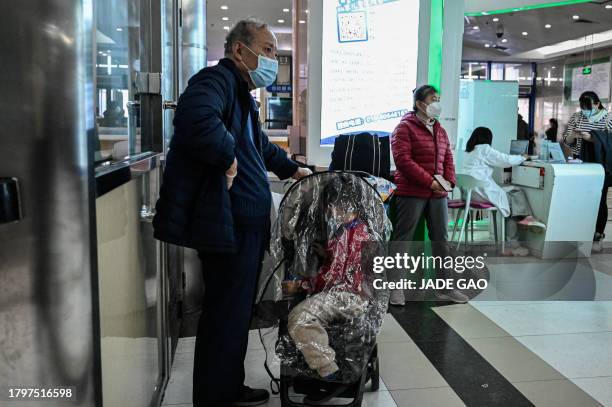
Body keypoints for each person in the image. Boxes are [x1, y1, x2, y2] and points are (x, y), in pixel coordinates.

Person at [153, 19, 311, 406]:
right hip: (231, 224)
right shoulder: (215, 81)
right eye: (268, 50)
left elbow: (260, 146)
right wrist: (227, 160)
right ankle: (215, 394)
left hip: (245, 222)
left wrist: (295, 170)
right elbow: (194, 119)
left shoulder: (241, 95)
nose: (273, 59)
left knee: (236, 311)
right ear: (241, 50)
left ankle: (227, 384)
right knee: (226, 310)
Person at [286, 182, 371, 403]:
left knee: (300, 318)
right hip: (346, 294)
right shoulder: (350, 231)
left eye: (329, 207)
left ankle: (331, 374)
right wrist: (327, 255)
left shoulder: (354, 235)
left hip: (348, 296)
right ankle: (324, 370)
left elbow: (338, 277)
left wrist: (305, 285)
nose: (328, 212)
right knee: (301, 314)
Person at [389, 85, 467, 304]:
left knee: (441, 240)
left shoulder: (439, 129)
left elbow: (447, 158)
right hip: (411, 192)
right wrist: (430, 181)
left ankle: (446, 288)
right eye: (433, 99)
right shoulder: (404, 128)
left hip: (438, 195)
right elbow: (403, 161)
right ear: (419, 104)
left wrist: (448, 182)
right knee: (403, 240)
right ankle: (396, 288)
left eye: (438, 98)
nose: (437, 103)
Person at [461, 127, 545, 256]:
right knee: (514, 198)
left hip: (470, 195)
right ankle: (513, 243)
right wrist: (523, 157)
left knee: (510, 196)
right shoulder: (484, 149)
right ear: (488, 139)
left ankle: (524, 218)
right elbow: (505, 160)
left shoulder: (470, 151)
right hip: (481, 192)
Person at [563, 91, 612, 251]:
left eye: (588, 107)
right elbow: (566, 141)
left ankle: (597, 235)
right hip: (580, 163)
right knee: (580, 199)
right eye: (583, 107)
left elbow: (610, 142)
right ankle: (581, 233)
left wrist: (591, 138)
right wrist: (572, 136)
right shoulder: (577, 117)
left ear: (597, 104)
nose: (585, 111)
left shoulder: (608, 118)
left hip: (601, 165)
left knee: (599, 199)